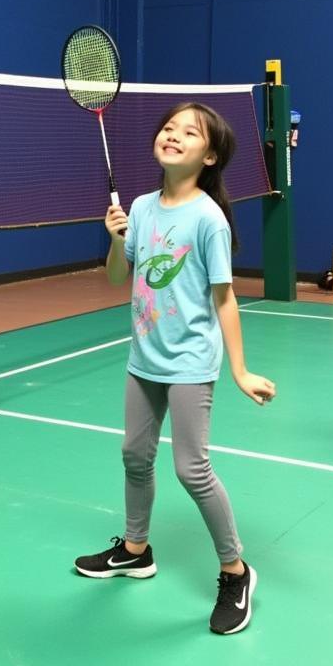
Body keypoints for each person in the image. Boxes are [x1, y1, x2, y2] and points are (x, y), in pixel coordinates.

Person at [74, 102, 275, 635]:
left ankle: (236, 570)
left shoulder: (207, 218)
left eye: (189, 132)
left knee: (192, 468)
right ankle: (136, 549)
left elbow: (225, 299)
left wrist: (240, 369)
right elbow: (121, 276)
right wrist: (117, 237)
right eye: (168, 128)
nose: (173, 135)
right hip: (144, 356)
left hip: (189, 360)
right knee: (134, 455)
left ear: (209, 156)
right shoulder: (139, 207)